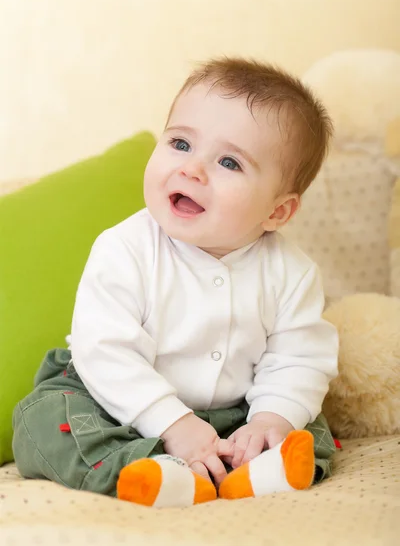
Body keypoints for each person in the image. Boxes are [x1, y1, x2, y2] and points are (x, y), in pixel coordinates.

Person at [13, 58, 339, 508]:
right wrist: (173, 425)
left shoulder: (292, 272)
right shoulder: (125, 249)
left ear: (277, 212)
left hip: (233, 413)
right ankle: (147, 468)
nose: (192, 170)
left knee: (308, 421)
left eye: (228, 162)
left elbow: (300, 357)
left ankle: (257, 469)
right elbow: (106, 351)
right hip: (112, 397)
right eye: (181, 143)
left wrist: (271, 418)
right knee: (44, 421)